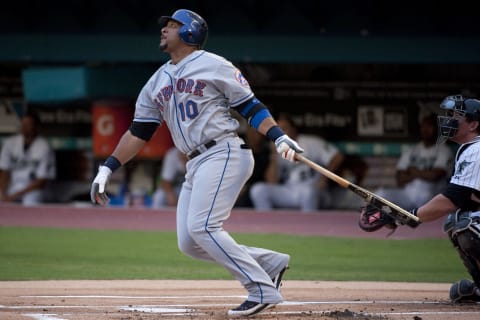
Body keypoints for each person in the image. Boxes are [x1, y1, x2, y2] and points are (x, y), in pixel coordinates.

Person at [90, 9, 303, 317]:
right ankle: (269, 263)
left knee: (203, 226)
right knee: (190, 242)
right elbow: (139, 131)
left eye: (173, 25)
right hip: (195, 162)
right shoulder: (157, 80)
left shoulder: (214, 64)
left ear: (190, 32)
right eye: (165, 25)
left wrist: (279, 137)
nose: (164, 29)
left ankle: (260, 289)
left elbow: (251, 106)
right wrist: (107, 167)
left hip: (224, 152)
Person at [358, 94, 480, 303]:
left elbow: (451, 199)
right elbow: (463, 201)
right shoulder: (470, 149)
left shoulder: (477, 151)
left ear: (473, 124)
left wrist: (404, 216)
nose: (448, 120)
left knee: (465, 224)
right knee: (456, 220)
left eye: (456, 116)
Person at [250, 113, 344, 211]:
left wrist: (324, 178)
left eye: (284, 128)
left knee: (308, 192)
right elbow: (272, 182)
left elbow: (337, 156)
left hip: (314, 190)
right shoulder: (276, 149)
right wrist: (273, 155)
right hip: (289, 189)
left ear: (294, 130)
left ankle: (309, 225)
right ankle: (267, 225)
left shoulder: (310, 142)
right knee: (258, 190)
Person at [374, 113, 454, 209]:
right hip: (408, 195)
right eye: (423, 126)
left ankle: (414, 216)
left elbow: (435, 176)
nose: (426, 130)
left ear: (437, 129)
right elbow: (400, 179)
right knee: (381, 193)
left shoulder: (444, 150)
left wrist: (413, 172)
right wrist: (423, 174)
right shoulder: (411, 150)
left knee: (426, 191)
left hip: (432, 196)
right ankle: (387, 219)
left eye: (430, 126)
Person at [0, 112, 56, 205]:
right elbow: (4, 171)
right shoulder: (10, 143)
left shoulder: (44, 147)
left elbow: (41, 182)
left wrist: (14, 196)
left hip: (32, 190)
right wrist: (3, 193)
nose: (24, 127)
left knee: (30, 200)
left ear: (36, 127)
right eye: (23, 124)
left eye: (28, 124)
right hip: (13, 187)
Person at [235, 126, 272, 208]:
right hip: (238, 189)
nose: (252, 135)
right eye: (250, 131)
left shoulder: (267, 153)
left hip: (255, 192)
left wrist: (273, 155)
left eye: (256, 132)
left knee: (256, 191)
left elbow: (272, 182)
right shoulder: (239, 150)